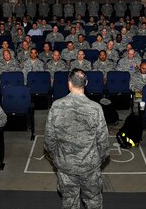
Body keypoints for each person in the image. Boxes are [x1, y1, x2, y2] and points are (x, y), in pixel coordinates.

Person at [44, 70, 109, 209]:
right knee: (93, 202)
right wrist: (98, 160)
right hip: (90, 166)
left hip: (66, 165)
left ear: (69, 84)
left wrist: (57, 158)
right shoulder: (95, 108)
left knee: (70, 202)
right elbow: (103, 142)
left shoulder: (56, 106)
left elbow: (49, 140)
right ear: (86, 83)